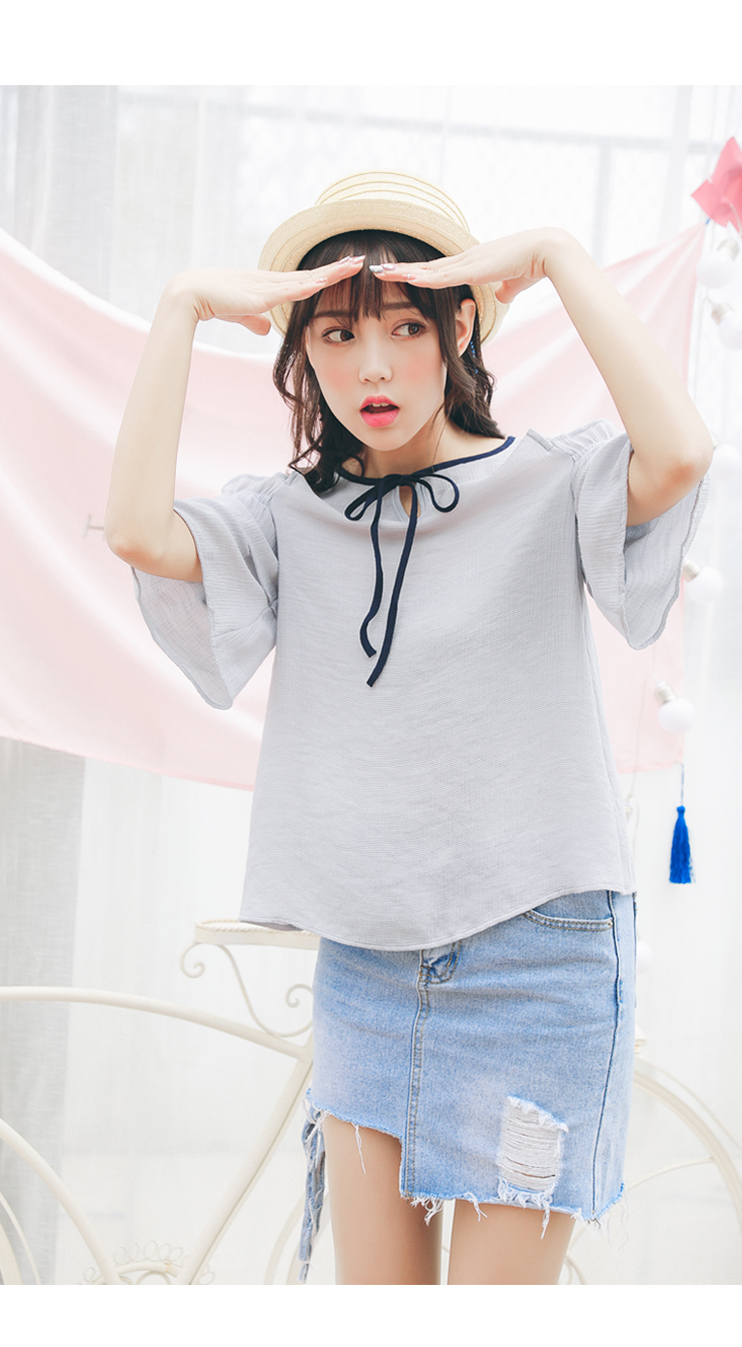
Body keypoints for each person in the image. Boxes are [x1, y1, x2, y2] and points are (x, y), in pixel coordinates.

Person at [105, 171, 711, 1285]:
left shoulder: (551, 480)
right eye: (338, 335)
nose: (372, 367)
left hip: (540, 960)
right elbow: (139, 531)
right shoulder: (288, 515)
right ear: (304, 353)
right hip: (367, 965)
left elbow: (679, 454)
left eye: (404, 326)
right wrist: (181, 305)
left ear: (459, 329)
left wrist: (557, 255)